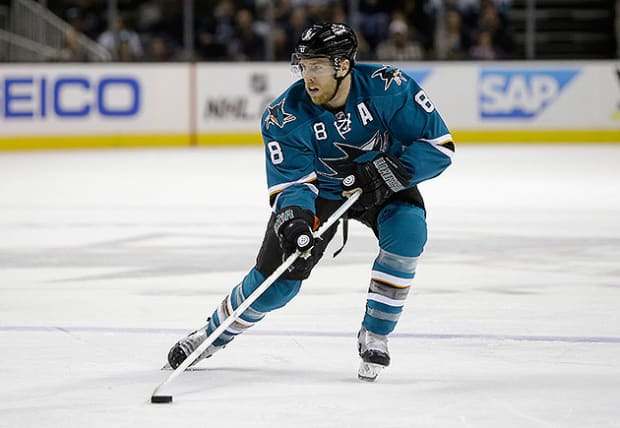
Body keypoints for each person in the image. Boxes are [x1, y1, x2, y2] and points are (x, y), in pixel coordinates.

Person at [167, 22, 454, 382]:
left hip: (383, 184)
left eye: (317, 66)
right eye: (303, 66)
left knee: (409, 233)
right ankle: (210, 334)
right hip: (322, 196)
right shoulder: (284, 116)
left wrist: (386, 173)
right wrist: (295, 220)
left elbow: (438, 147)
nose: (308, 77)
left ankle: (375, 333)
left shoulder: (388, 87)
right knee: (278, 285)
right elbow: (293, 184)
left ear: (343, 65)